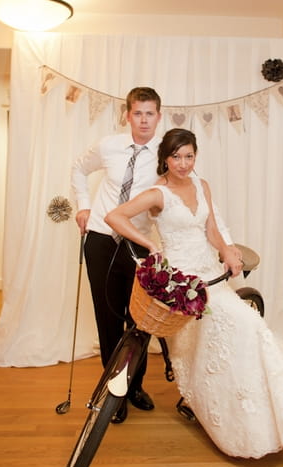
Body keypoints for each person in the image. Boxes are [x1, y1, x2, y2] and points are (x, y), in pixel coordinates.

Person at [105, 128, 283, 458]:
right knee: (218, 334)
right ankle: (208, 406)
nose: (183, 163)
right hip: (184, 281)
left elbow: (211, 229)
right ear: (165, 159)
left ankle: (253, 414)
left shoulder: (201, 185)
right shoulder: (157, 193)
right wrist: (151, 245)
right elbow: (114, 216)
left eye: (189, 156)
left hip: (211, 273)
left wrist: (227, 250)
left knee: (245, 329)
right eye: (176, 157)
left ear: (196, 156)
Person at [72, 89, 240, 425]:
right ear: (127, 115)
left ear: (159, 116)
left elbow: (205, 208)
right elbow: (78, 168)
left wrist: (228, 245)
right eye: (138, 113)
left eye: (150, 114)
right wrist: (83, 206)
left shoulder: (168, 154)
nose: (144, 120)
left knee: (140, 320)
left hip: (139, 244)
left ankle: (133, 386)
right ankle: (112, 392)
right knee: (108, 319)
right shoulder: (108, 146)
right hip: (102, 239)